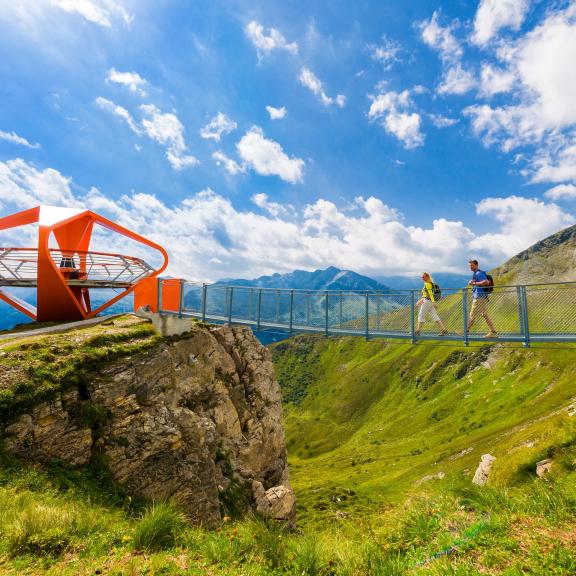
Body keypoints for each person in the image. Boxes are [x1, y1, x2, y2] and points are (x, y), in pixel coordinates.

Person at [467, 259, 497, 338]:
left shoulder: (479, 273)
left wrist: (473, 283)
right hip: (481, 296)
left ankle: (465, 332)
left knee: (472, 314)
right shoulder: (476, 273)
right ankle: (493, 332)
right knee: (485, 314)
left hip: (479, 297)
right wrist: (473, 284)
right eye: (469, 266)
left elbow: (486, 282)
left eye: (472, 265)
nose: (470, 267)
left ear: (476, 265)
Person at [415, 272, 448, 336]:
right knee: (435, 316)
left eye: (423, 277)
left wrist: (433, 302)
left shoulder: (427, 284)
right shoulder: (431, 283)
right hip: (428, 301)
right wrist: (420, 300)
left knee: (421, 315)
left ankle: (418, 331)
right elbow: (426, 294)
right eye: (421, 277)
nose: (422, 278)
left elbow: (430, 293)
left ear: (427, 277)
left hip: (427, 302)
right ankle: (444, 330)